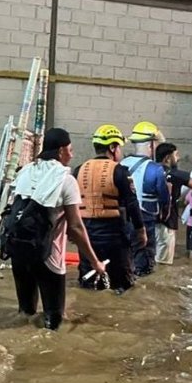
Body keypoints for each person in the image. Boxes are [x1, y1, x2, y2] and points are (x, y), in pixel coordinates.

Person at [9, 128, 106, 330]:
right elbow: (77, 227)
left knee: (25, 313)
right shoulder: (65, 180)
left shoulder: (25, 172)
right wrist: (95, 261)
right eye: (70, 149)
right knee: (54, 321)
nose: (72, 154)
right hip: (48, 258)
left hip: (19, 252)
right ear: (61, 151)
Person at [73, 125, 146, 294]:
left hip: (86, 237)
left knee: (88, 282)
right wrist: (141, 231)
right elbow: (132, 204)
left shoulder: (78, 170)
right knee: (122, 284)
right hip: (113, 236)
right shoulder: (120, 171)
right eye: (119, 147)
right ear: (112, 147)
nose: (120, 152)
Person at [119, 121, 170, 277]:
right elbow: (164, 198)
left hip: (123, 221)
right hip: (145, 221)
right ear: (151, 145)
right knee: (144, 265)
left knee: (126, 261)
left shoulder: (121, 164)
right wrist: (164, 213)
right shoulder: (155, 169)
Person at [154, 142, 192, 264]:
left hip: (149, 221)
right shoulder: (176, 175)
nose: (179, 158)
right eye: (176, 155)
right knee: (163, 264)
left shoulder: (150, 169)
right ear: (168, 158)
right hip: (167, 222)